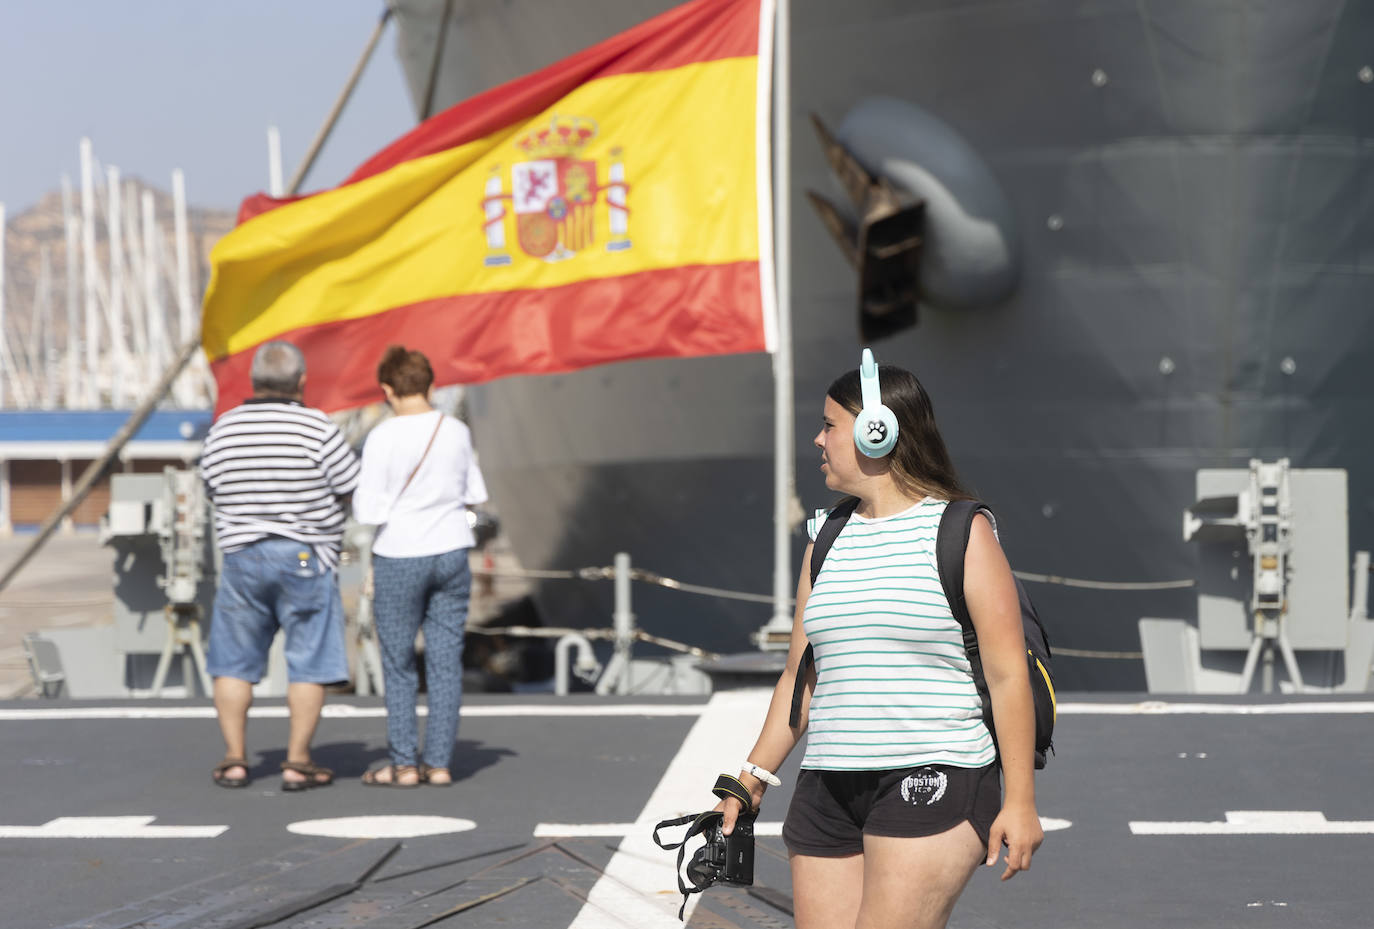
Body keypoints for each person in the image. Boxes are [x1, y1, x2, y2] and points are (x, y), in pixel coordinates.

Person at [718, 357, 1043, 929]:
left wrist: (1020, 801)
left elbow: (1008, 674)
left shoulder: (962, 531)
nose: (817, 440)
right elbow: (800, 678)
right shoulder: (827, 537)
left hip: (934, 774)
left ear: (878, 430)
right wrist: (748, 784)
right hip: (828, 786)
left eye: (828, 425)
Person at [200, 340, 360, 791]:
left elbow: (211, 486)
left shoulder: (225, 428)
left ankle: (234, 759)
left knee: (232, 661)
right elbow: (351, 486)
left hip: (243, 556)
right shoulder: (317, 428)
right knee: (308, 660)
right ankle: (297, 762)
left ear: (254, 381)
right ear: (301, 381)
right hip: (306, 554)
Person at [353, 346, 488, 788]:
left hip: (399, 554)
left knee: (398, 664)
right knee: (446, 661)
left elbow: (368, 510)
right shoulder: (455, 431)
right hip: (451, 550)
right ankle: (441, 763)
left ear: (388, 389)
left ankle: (405, 764)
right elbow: (474, 492)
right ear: (430, 384)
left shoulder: (383, 437)